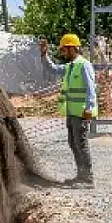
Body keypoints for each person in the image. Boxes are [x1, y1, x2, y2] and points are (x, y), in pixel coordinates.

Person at [40, 33, 97, 186]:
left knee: (81, 143)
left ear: (72, 48)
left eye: (64, 50)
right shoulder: (70, 67)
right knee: (73, 143)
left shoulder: (83, 65)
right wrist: (44, 55)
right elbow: (52, 69)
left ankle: (87, 178)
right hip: (72, 112)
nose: (63, 53)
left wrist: (89, 108)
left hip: (82, 112)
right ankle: (80, 175)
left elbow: (91, 87)